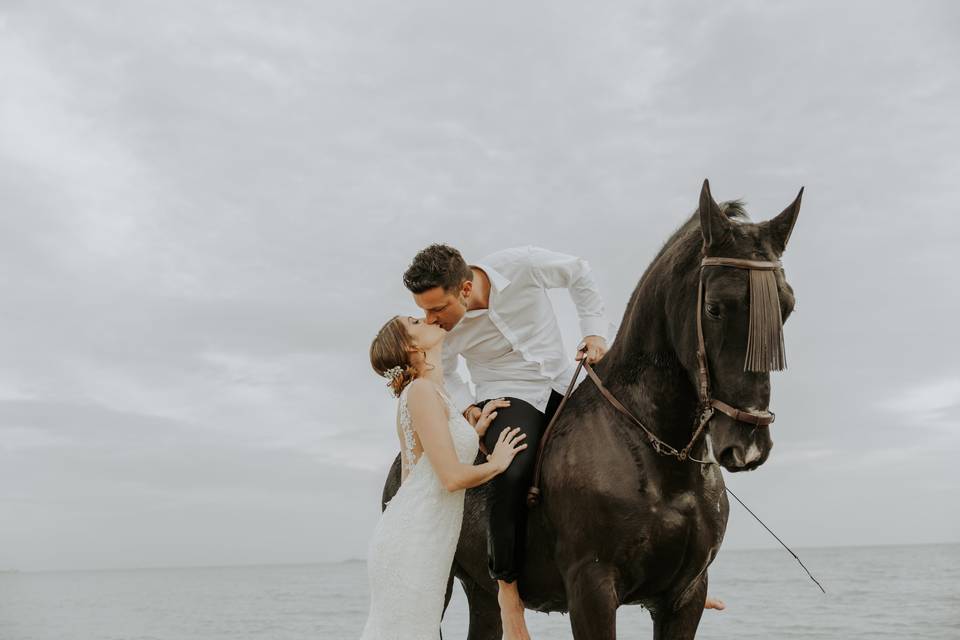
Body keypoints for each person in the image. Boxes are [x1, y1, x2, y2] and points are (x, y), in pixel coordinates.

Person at [403, 244, 610, 640]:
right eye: (424, 311)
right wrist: (468, 408)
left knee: (631, 435)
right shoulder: (443, 328)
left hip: (565, 379)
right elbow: (445, 370)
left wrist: (595, 332)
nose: (430, 320)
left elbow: (579, 272)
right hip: (506, 393)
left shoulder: (522, 265)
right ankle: (508, 594)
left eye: (436, 309)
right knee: (512, 472)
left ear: (465, 289)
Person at [360, 314, 528, 640]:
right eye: (414, 322)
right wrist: (498, 463)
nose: (425, 318)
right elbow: (450, 477)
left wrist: (473, 432)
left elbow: (434, 456)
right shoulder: (421, 390)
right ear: (411, 345)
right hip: (413, 541)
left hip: (429, 541)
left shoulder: (437, 393)